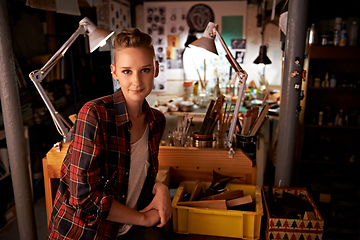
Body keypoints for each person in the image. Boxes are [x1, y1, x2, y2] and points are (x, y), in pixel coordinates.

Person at [48, 28, 172, 239]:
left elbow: (137, 177)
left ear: (156, 69)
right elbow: (84, 198)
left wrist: (159, 188)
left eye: (145, 70)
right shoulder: (94, 114)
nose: (137, 81)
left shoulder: (156, 121)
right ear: (114, 72)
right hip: (82, 233)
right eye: (127, 71)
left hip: (124, 230)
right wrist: (143, 218)